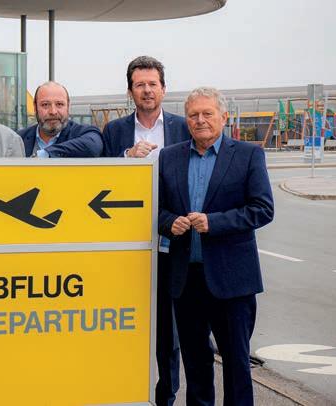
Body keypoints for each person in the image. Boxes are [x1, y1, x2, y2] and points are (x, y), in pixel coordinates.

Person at [158, 87, 274, 405]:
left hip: (232, 280)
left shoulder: (248, 155)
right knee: (195, 364)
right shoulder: (170, 157)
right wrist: (170, 223)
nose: (200, 120)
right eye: (193, 115)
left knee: (236, 365)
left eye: (207, 114)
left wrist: (214, 222)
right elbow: (157, 209)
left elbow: (263, 209)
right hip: (186, 279)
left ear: (223, 117)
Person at [102, 55, 190, 406]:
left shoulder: (183, 127)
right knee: (124, 324)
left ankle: (166, 396)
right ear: (130, 91)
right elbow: (98, 175)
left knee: (168, 332)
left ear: (164, 89)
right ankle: (125, 392)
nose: (147, 90)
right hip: (126, 243)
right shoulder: (114, 131)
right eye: (140, 85)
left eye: (153, 84)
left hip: (172, 240)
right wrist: (127, 157)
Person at [18, 81, 103, 157]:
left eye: (59, 104)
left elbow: (93, 146)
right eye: (45, 104)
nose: (53, 112)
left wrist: (45, 154)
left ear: (68, 106)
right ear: (35, 107)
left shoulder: (84, 133)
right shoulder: (19, 139)